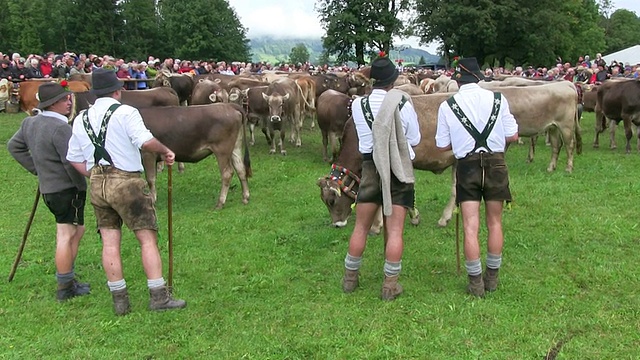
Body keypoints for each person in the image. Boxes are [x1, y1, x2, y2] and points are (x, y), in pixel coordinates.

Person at [66, 68, 186, 315]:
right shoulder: (126, 112)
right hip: (127, 182)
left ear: (95, 94)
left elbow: (74, 159)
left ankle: (120, 301)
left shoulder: (81, 119)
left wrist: (97, 174)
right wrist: (165, 150)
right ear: (118, 91)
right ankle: (158, 296)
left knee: (110, 242)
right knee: (146, 238)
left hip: (98, 183)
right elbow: (144, 141)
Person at [435, 57, 519, 297]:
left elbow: (441, 146)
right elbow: (513, 135)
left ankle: (475, 283)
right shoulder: (498, 99)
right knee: (495, 223)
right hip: (495, 164)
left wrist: (461, 138)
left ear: (458, 80)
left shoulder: (447, 105)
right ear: (478, 77)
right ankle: (491, 278)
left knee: (471, 226)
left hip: (467, 166)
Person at [342, 52, 421, 301]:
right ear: (392, 81)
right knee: (395, 230)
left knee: (361, 227)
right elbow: (415, 138)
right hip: (397, 168)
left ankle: (350, 279)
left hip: (369, 168)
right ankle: (389, 285)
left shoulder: (357, 104)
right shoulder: (403, 103)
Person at [7, 82, 89, 301]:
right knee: (66, 234)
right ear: (52, 104)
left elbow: (13, 146)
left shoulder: (30, 123)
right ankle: (65, 286)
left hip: (50, 189)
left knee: (76, 231)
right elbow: (70, 161)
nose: (69, 101)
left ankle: (68, 279)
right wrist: (81, 185)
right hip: (65, 189)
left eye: (68, 98)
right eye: (64, 100)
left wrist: (38, 169)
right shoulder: (61, 128)